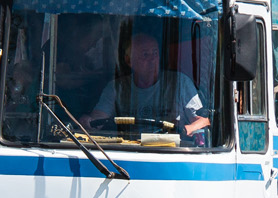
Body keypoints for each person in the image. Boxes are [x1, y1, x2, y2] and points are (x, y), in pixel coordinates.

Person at [82, 30, 210, 140]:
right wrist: (87, 121)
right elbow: (97, 119)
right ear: (129, 60)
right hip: (129, 151)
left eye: (155, 53)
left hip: (169, 151)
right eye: (145, 55)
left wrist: (184, 130)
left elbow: (203, 121)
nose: (152, 59)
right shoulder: (117, 87)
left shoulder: (180, 83)